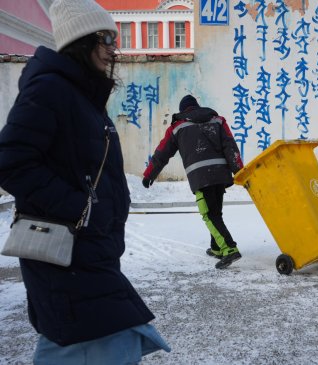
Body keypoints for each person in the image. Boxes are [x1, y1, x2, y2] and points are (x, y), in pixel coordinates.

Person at [0, 0, 170, 363]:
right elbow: (11, 161)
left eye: (115, 37)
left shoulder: (81, 96)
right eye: (105, 37)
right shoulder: (50, 90)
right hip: (64, 250)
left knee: (91, 339)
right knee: (103, 337)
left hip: (88, 249)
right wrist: (81, 208)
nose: (114, 47)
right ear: (80, 41)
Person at [142, 95, 244, 269]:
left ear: (183, 111)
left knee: (209, 214)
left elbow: (162, 153)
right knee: (216, 212)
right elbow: (230, 146)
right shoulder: (217, 121)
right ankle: (217, 248)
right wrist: (239, 171)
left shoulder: (178, 127)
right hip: (220, 174)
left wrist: (149, 174)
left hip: (201, 177)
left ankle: (229, 249)